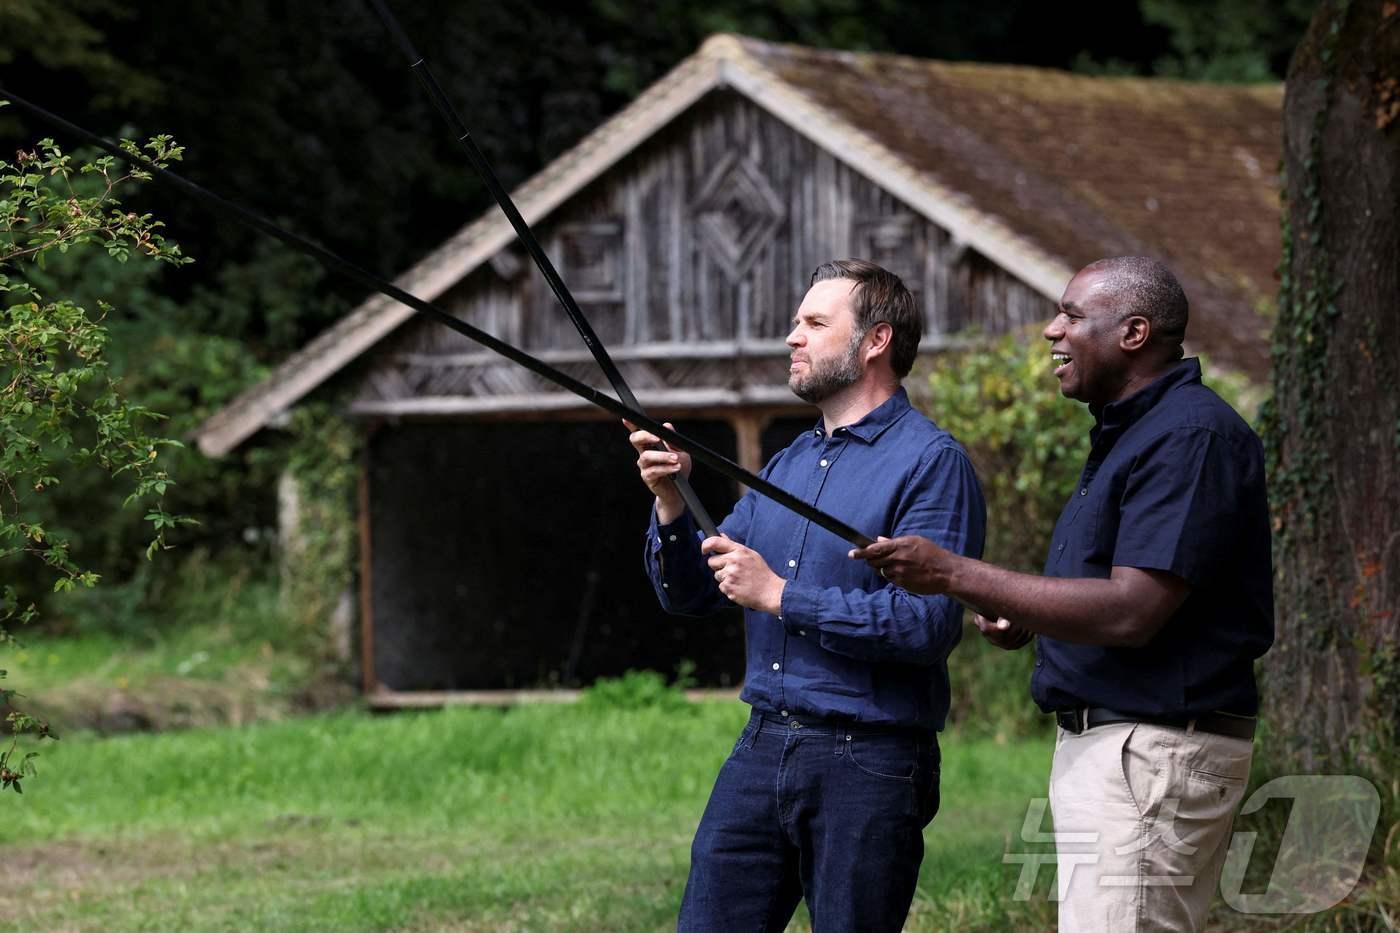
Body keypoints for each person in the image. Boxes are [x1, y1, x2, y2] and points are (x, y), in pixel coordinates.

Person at [853, 256, 1273, 932]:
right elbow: (1120, 595)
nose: (1052, 330)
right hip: (1123, 750)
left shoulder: (1188, 436)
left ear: (1134, 333)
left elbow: (1133, 611)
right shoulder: (1133, 431)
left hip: (1148, 752)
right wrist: (1026, 615)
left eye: (1072, 316)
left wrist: (954, 573)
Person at [626, 259, 986, 932]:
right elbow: (692, 593)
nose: (793, 336)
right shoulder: (789, 462)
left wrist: (783, 596)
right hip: (762, 743)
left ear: (875, 340)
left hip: (870, 759)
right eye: (797, 322)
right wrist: (671, 498)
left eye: (815, 323)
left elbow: (928, 625)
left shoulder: (932, 463)